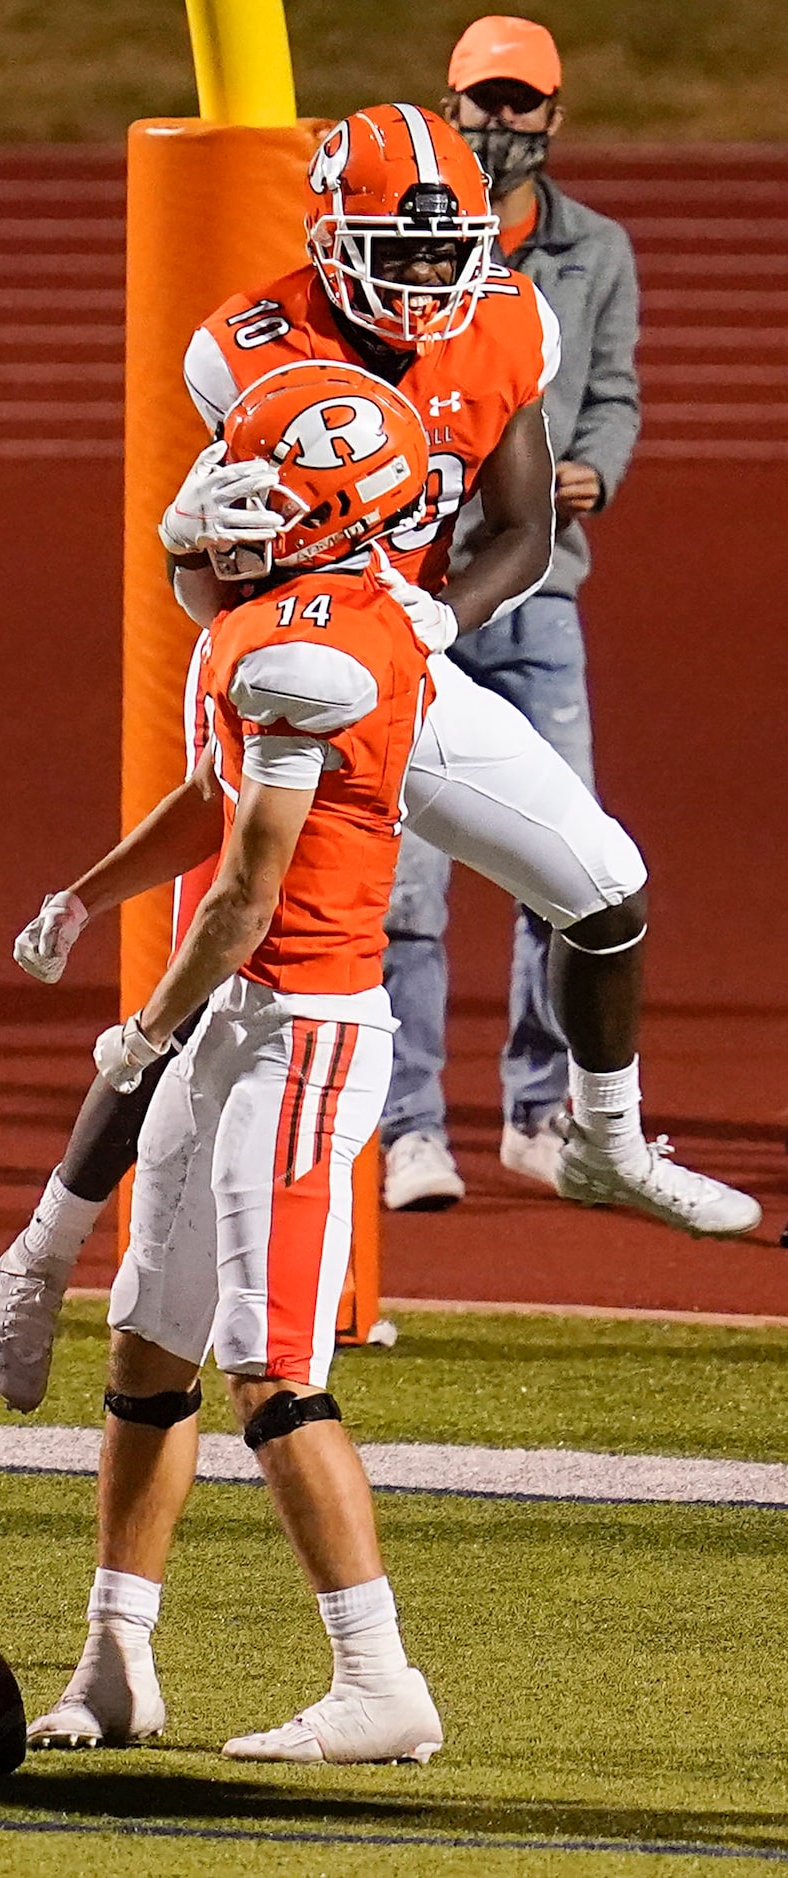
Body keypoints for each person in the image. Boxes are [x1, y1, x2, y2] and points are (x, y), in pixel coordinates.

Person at [0, 100, 758, 1417]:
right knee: (206, 995)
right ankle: (43, 1246)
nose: (417, 282)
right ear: (330, 240)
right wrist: (252, 604)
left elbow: (518, 523)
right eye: (390, 255)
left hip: (402, 661)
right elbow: (196, 572)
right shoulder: (248, 347)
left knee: (607, 888)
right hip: (282, 662)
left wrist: (435, 615)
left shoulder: (501, 318)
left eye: (438, 254)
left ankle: (604, 1138)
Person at [20, 362, 441, 1761]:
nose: (228, 507)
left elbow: (251, 890)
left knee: (268, 1358)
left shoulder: (317, 653)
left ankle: (378, 1677)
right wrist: (85, 896)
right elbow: (211, 797)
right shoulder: (267, 630)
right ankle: (116, 1656)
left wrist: (144, 1031)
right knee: (148, 1335)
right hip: (244, 1020)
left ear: (340, 517)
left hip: (304, 1030)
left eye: (269, 494)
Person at [381, 17, 643, 1207]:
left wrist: (592, 466)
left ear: (553, 117)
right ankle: (407, 1125)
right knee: (404, 886)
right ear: (445, 110)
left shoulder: (595, 253)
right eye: (478, 104)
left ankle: (540, 1111)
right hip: (418, 587)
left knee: (568, 865)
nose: (497, 127)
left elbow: (615, 395)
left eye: (518, 105)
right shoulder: (404, 249)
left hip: (540, 591)